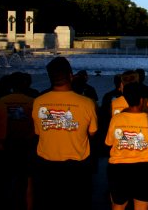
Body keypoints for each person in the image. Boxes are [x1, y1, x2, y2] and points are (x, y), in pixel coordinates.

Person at [31, 56, 98, 210]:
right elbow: (93, 132)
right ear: (70, 76)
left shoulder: (38, 102)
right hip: (77, 167)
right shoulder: (87, 103)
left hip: (46, 165)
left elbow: (38, 132)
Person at [105, 82, 148, 210]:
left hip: (119, 168)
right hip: (145, 168)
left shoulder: (116, 119)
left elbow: (108, 142)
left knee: (118, 205)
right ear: (142, 100)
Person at [0, 72, 35, 210]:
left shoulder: (2, 101)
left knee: (6, 179)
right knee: (25, 179)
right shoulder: (32, 102)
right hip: (26, 145)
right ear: (26, 84)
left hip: (6, 144)